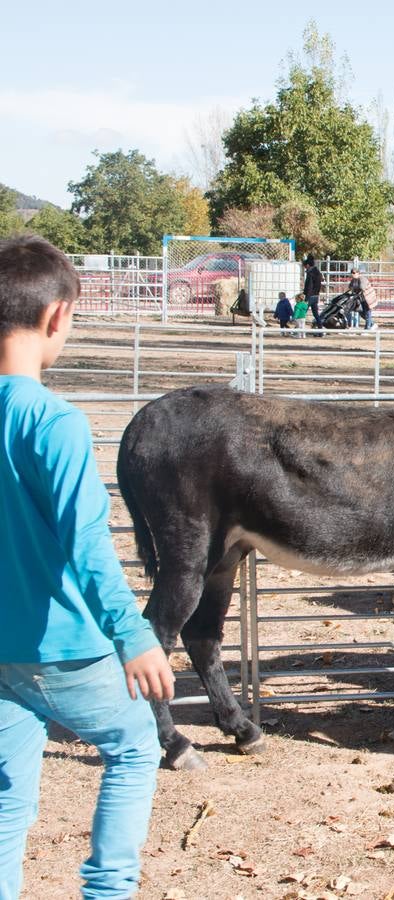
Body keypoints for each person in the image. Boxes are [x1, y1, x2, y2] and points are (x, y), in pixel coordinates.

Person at [0, 235, 176, 899]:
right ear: (57, 318)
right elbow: (88, 541)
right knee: (134, 742)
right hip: (62, 646)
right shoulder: (55, 422)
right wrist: (134, 636)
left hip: (0, 648)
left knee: (8, 793)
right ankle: (108, 891)